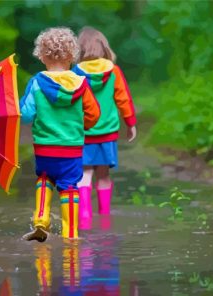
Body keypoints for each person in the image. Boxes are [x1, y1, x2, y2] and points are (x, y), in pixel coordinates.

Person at [20, 27, 100, 241]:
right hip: (71, 148)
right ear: (71, 57)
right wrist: (83, 126)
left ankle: (40, 220)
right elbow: (94, 114)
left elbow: (26, 115)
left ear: (42, 56)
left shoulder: (36, 82)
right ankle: (70, 233)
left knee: (45, 179)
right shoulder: (81, 84)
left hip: (45, 147)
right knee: (69, 186)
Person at [72, 27, 137, 229]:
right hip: (107, 133)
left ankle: (84, 214)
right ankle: (105, 216)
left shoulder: (75, 73)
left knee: (84, 174)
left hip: (83, 133)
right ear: (104, 48)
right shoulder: (114, 72)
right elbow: (123, 98)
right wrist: (131, 123)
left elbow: (69, 101)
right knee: (104, 175)